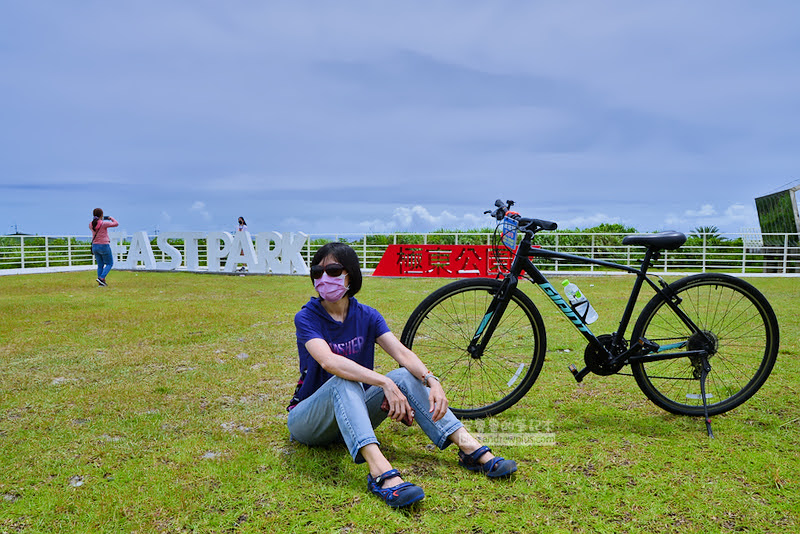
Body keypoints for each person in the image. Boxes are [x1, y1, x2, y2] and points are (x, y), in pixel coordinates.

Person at [287, 242, 517, 509]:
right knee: (345, 379)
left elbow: (401, 353)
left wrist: (432, 380)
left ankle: (470, 449)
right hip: (309, 421)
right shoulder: (307, 317)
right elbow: (329, 362)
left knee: (404, 375)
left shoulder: (367, 316)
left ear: (351, 274)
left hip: (353, 416)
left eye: (334, 270)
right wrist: (383, 382)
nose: (324, 278)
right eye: (317, 272)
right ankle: (380, 473)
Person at [90, 208, 118, 287]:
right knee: (109, 263)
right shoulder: (104, 224)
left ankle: (101, 283)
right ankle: (101, 278)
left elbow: (95, 224)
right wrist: (110, 218)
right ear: (101, 214)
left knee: (100, 265)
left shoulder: (91, 224)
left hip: (95, 246)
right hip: (104, 245)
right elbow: (116, 224)